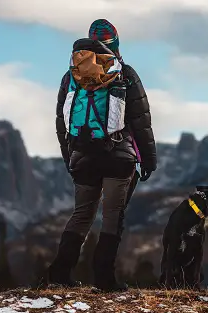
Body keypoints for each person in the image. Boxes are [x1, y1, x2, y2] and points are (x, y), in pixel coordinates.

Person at [47, 19, 157, 292]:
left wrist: (68, 156)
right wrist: (149, 160)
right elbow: (141, 121)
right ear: (116, 43)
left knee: (82, 214)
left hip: (82, 155)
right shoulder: (126, 74)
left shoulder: (71, 74)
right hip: (119, 156)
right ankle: (105, 280)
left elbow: (62, 121)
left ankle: (59, 273)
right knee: (112, 216)